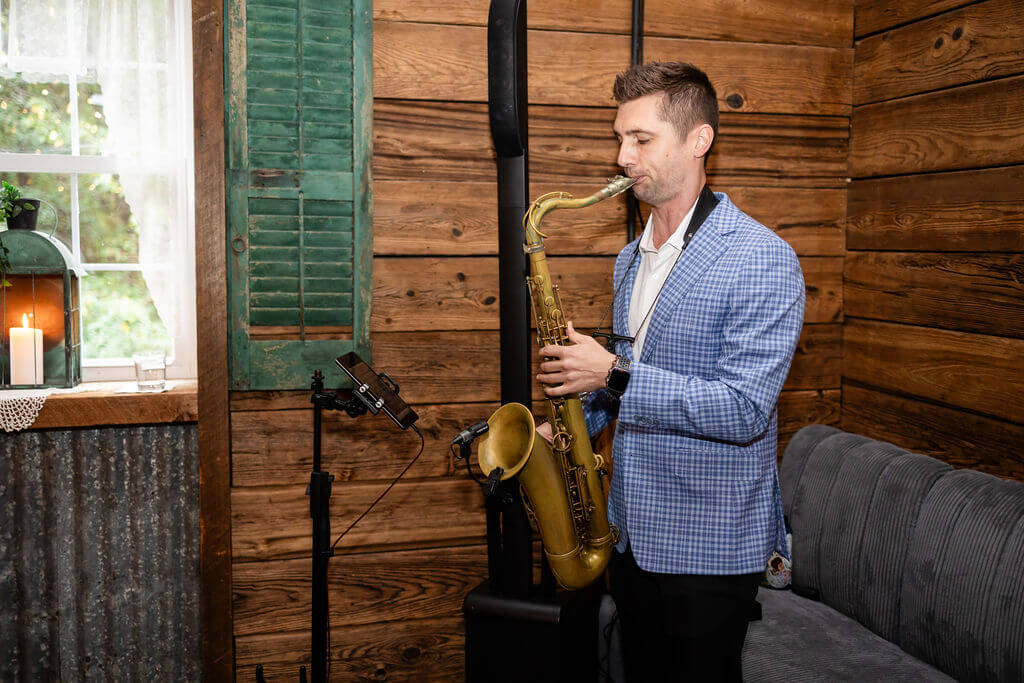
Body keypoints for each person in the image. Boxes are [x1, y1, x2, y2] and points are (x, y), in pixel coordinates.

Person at [535, 62, 805, 681]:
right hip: (630, 534)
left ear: (698, 141)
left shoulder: (762, 258)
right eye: (619, 137)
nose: (622, 156)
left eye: (641, 139)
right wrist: (569, 423)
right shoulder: (630, 259)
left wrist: (610, 374)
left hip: (708, 550)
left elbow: (743, 411)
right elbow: (626, 378)